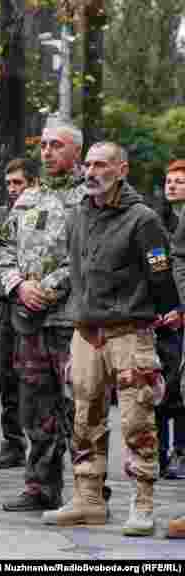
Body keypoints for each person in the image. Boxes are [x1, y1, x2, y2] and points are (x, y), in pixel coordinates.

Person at [43, 142, 177, 537]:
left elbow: (160, 273)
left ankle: (143, 501)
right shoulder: (78, 214)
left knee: (138, 418)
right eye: (88, 164)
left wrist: (168, 319)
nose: (91, 171)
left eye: (100, 164)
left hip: (129, 333)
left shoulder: (143, 219)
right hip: (85, 333)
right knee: (84, 418)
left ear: (122, 169)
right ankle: (89, 500)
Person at [0, 126, 83, 513]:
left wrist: (45, 288)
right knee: (35, 406)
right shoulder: (27, 198)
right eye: (43, 145)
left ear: (76, 151)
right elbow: (4, 249)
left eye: (56, 145)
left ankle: (87, 491)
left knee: (80, 409)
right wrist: (17, 286)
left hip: (70, 320)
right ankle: (39, 486)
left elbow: (87, 257)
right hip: (28, 319)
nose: (47, 152)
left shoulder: (89, 198)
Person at [0, 157, 38, 471]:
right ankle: (13, 441)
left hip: (36, 304)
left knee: (37, 377)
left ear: (32, 183)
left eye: (18, 183)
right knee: (8, 374)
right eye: (9, 183)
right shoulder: (0, 216)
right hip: (6, 303)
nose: (12, 189)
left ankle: (44, 442)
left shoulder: (47, 212)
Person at [159, 159, 185, 483]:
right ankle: (160, 455)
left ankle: (180, 450)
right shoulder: (156, 220)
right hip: (162, 317)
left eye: (179, 181)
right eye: (169, 180)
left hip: (179, 314)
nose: (172, 185)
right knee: (162, 389)